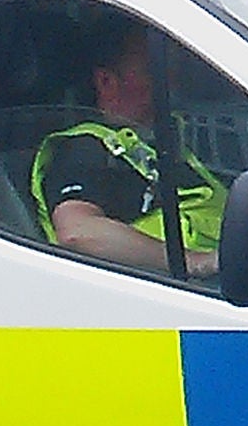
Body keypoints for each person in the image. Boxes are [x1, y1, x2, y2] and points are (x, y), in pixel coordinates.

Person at [30, 14, 224, 279]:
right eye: (154, 70)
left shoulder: (172, 139)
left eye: (173, 69)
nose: (172, 80)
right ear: (107, 82)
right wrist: (193, 262)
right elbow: (77, 231)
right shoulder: (85, 149)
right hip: (170, 294)